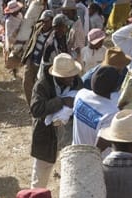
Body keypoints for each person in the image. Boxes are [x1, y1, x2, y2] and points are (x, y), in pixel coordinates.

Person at [29, 53, 83, 188]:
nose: (72, 78)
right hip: (46, 132)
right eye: (68, 76)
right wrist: (62, 101)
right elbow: (36, 110)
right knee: (42, 169)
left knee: (70, 165)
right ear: (58, 76)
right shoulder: (42, 85)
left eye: (72, 74)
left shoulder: (76, 82)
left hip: (68, 131)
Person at [71, 65, 120, 147]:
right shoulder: (112, 112)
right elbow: (101, 146)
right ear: (115, 87)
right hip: (94, 158)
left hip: (76, 152)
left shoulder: (81, 95)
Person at [20, 10, 56, 107]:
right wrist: (25, 58)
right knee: (26, 83)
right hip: (31, 59)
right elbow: (31, 42)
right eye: (43, 21)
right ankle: (31, 106)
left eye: (46, 21)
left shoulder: (54, 34)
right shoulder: (38, 28)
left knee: (40, 87)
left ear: (52, 21)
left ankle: (39, 106)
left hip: (43, 63)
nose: (44, 23)